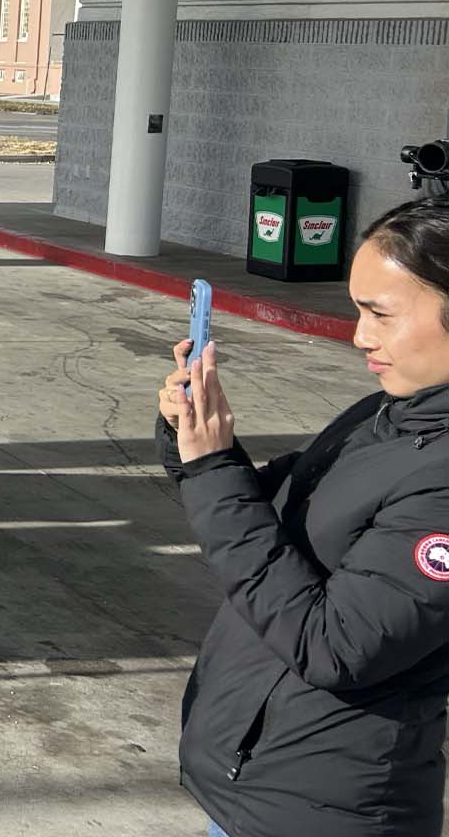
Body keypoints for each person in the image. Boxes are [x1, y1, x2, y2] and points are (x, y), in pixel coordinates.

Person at [158, 197, 449, 837]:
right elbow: (264, 516)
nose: (359, 335)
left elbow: (337, 645)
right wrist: (197, 443)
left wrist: (210, 471)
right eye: (356, 309)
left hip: (331, 809)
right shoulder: (386, 415)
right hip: (257, 782)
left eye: (381, 314)